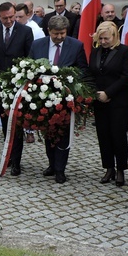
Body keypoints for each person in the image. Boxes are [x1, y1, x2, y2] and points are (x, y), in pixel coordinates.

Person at [29, 15, 89, 183]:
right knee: (48, 133)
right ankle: (52, 164)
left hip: (65, 98)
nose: (60, 37)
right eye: (56, 33)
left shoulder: (76, 45)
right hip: (43, 97)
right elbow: (30, 67)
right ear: (49, 31)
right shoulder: (37, 44)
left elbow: (83, 69)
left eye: (63, 33)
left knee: (62, 133)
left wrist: (71, 83)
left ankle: (60, 169)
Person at [0, 2, 34, 175]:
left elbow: (29, 58)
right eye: (4, 18)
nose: (8, 21)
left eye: (11, 17)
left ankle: (16, 161)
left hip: (18, 84)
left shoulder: (25, 31)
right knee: (5, 121)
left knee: (17, 123)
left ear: (15, 14)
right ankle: (8, 157)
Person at [89, 21, 128, 187]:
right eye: (100, 38)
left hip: (119, 101)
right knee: (104, 135)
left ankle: (121, 169)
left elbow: (125, 76)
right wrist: (95, 93)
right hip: (99, 100)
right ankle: (108, 167)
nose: (103, 42)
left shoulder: (125, 51)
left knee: (118, 135)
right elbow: (91, 74)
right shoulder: (95, 52)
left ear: (114, 36)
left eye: (106, 38)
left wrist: (108, 93)